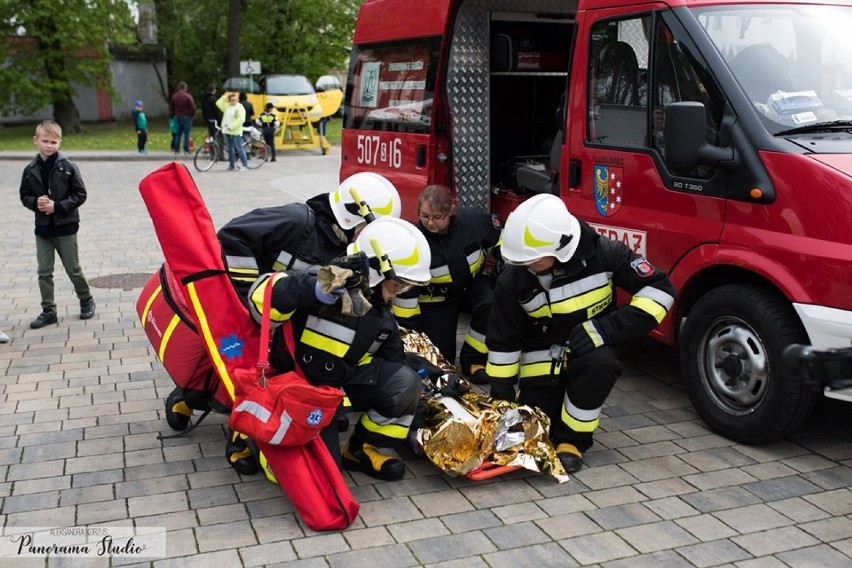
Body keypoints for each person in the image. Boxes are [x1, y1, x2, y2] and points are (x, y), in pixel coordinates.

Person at [162, 172, 402, 473]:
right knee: (234, 366)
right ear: (353, 215)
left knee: (273, 376)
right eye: (370, 228)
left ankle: (247, 420)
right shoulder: (296, 221)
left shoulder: (345, 248)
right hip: (252, 311)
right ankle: (202, 404)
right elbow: (231, 237)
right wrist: (242, 296)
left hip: (282, 325)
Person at [484, 194, 675, 473]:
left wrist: (605, 329)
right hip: (541, 357)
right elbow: (503, 338)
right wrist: (502, 397)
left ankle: (573, 441)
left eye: (533, 259)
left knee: (602, 364)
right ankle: (551, 415)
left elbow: (660, 291)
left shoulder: (606, 254)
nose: (527, 265)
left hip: (591, 347)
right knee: (537, 425)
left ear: (560, 247)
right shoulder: (514, 277)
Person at [250, 217, 431, 481]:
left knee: (404, 382)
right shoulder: (322, 284)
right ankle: (254, 436)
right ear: (376, 274)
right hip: (294, 390)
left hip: (333, 393)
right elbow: (260, 299)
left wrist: (416, 418)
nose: (398, 294)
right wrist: (313, 290)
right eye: (398, 285)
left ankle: (359, 450)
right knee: (317, 477)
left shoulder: (381, 316)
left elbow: (394, 365)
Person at [392, 184, 501, 383]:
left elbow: (502, 236)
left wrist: (502, 262)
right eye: (425, 216)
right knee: (441, 362)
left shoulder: (474, 222)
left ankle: (474, 361)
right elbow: (406, 298)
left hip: (471, 287)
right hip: (437, 300)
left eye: (437, 217)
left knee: (491, 301)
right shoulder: (413, 244)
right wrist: (412, 335)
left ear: (451, 210)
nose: (430, 223)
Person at [19, 120, 96, 329]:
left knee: (73, 269)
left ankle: (86, 299)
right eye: (45, 141)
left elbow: (80, 194)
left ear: (59, 142)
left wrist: (58, 206)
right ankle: (48, 310)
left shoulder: (68, 166)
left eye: (54, 141)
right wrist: (35, 203)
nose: (49, 145)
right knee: (44, 271)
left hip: (66, 227)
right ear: (36, 141)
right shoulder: (30, 169)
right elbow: (24, 196)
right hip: (43, 230)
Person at [216, 92, 247, 171]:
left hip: (236, 131)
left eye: (236, 100)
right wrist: (225, 96)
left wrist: (232, 126)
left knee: (239, 148)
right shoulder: (227, 106)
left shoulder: (239, 107)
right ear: (229, 101)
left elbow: (241, 119)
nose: (234, 101)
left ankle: (245, 165)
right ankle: (231, 165)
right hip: (227, 131)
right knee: (229, 149)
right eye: (232, 100)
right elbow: (218, 103)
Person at [170, 81, 196, 155]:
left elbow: (172, 107)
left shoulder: (174, 96)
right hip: (187, 116)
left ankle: (176, 149)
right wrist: (192, 114)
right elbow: (192, 107)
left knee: (178, 133)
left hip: (177, 116)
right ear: (185, 88)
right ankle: (186, 149)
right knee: (187, 134)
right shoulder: (188, 96)